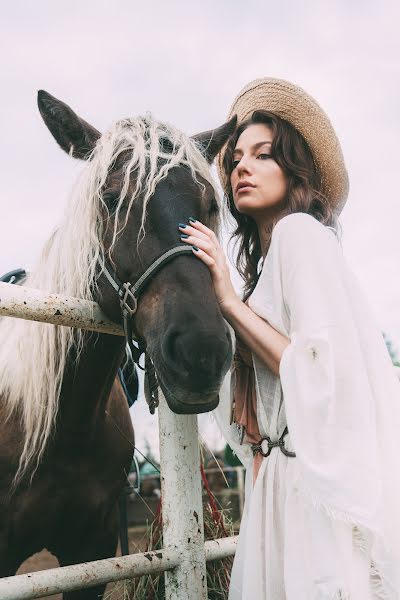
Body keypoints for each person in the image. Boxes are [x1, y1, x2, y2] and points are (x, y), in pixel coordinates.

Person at [178, 78, 400, 599]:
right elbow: (251, 416)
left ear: (294, 169)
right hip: (275, 480)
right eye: (234, 159)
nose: (241, 168)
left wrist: (229, 304)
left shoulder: (301, 235)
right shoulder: (266, 267)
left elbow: (319, 369)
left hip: (308, 486)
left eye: (263, 155)